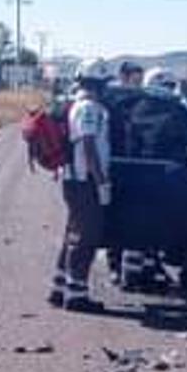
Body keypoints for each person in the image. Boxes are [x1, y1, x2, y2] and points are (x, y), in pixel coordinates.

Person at [49, 59, 113, 313]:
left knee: (73, 233)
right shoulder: (88, 108)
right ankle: (76, 295)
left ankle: (60, 287)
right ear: (96, 83)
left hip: (76, 180)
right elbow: (88, 145)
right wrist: (101, 182)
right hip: (84, 181)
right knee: (86, 237)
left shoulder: (80, 105)